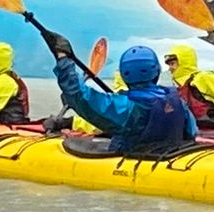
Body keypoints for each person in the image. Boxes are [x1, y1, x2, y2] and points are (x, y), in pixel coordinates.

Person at [41, 33, 197, 156]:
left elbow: (80, 96)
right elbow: (191, 132)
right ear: (156, 71)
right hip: (174, 153)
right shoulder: (177, 100)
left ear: (124, 74)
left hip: (135, 154)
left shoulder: (126, 106)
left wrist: (62, 58)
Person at [163, 44, 214, 129]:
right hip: (195, 133)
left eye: (172, 64)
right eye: (169, 65)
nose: (170, 68)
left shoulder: (203, 78)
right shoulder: (179, 88)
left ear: (183, 62)